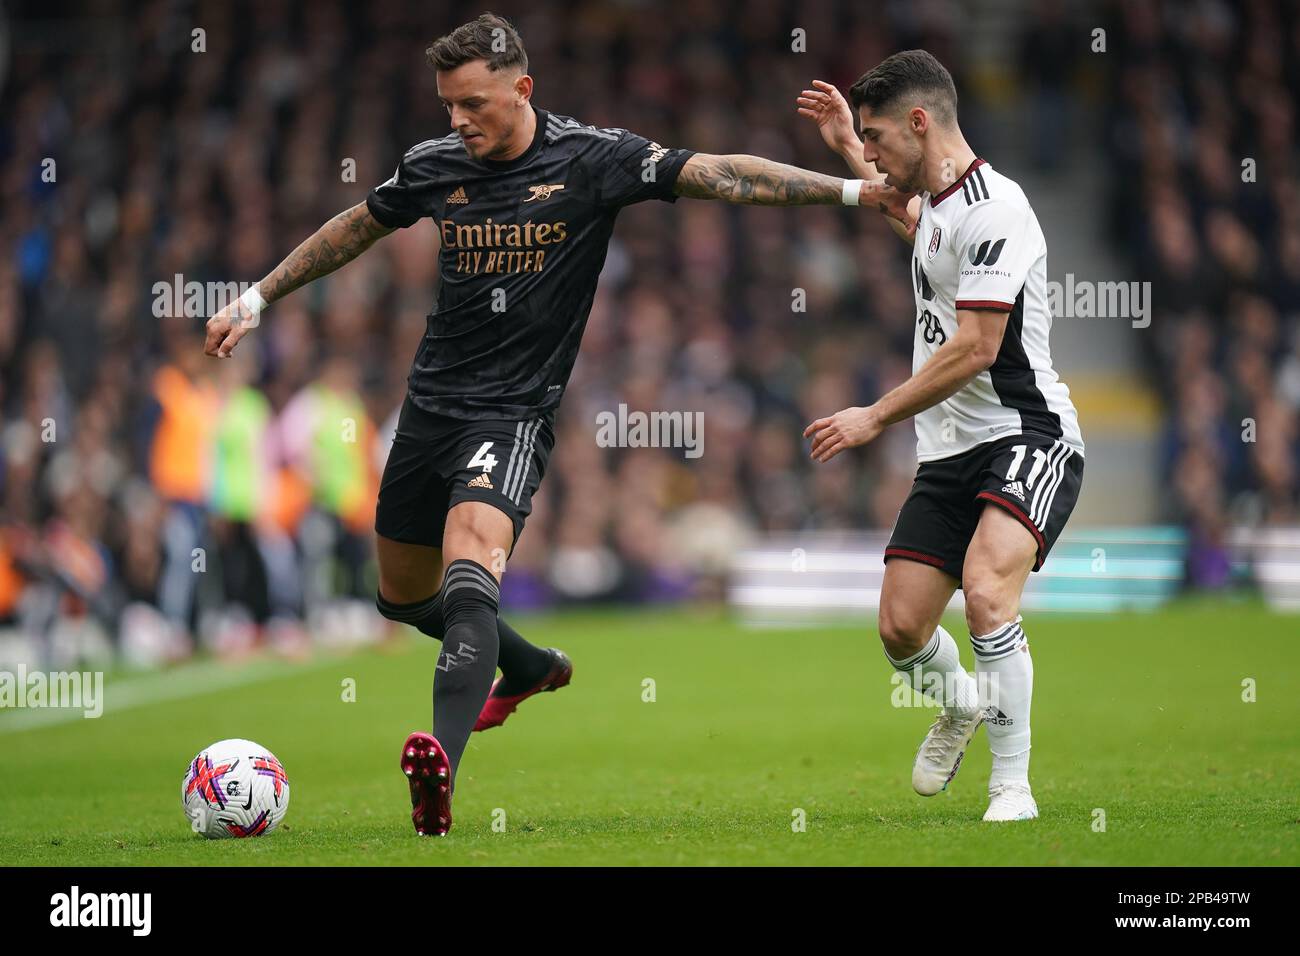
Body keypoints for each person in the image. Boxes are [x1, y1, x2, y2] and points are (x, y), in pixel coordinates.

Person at [203, 12, 913, 837]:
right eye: (447, 105)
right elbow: (356, 225)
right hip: (430, 408)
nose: (458, 121)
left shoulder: (593, 159)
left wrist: (857, 189)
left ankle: (439, 772)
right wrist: (256, 297)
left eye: (473, 103)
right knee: (400, 597)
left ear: (522, 88)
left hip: (514, 414)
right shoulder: (436, 166)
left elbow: (720, 174)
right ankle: (531, 665)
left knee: (471, 566)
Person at [799, 51, 1084, 822]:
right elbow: (909, 215)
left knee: (989, 594)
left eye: (878, 136)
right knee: (899, 628)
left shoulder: (999, 209)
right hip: (950, 449)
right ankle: (959, 704)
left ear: (921, 124)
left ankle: (1011, 785)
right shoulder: (933, 203)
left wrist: (873, 415)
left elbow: (976, 348)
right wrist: (842, 147)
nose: (875, 154)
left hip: (1029, 434)